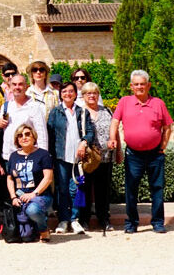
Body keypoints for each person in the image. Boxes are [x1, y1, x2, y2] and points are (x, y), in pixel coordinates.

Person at [109, 69, 173, 234]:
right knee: (131, 190)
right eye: (136, 84)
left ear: (148, 85)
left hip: (155, 155)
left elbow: (167, 127)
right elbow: (115, 122)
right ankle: (131, 223)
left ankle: (158, 222)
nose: (139, 87)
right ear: (131, 86)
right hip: (133, 155)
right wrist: (112, 139)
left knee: (157, 189)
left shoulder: (158, 103)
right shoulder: (124, 102)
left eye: (142, 84)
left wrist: (163, 147)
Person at [47, 82, 94, 235]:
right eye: (65, 91)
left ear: (75, 93)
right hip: (61, 157)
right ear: (61, 94)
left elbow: (89, 132)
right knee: (62, 190)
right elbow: (50, 135)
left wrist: (84, 142)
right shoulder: (55, 112)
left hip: (78, 158)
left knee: (77, 189)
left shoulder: (82, 112)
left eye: (71, 91)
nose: (68, 94)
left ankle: (75, 219)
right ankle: (63, 219)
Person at [7, 124, 54, 242]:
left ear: (34, 137)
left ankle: (43, 229)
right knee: (26, 237)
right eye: (20, 135)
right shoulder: (13, 156)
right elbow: (10, 179)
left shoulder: (43, 154)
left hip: (41, 195)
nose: (24, 137)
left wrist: (34, 194)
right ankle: (33, 228)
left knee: (33, 210)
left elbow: (48, 178)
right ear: (17, 140)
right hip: (20, 197)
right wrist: (13, 197)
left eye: (27, 134)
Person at [79, 82, 115, 232]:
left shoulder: (107, 111)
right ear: (83, 96)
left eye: (94, 93)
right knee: (84, 189)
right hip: (87, 158)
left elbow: (114, 131)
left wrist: (118, 150)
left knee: (103, 190)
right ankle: (84, 219)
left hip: (105, 156)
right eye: (88, 93)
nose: (92, 96)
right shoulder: (80, 112)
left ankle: (104, 218)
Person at [1, 74, 48, 162]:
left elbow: (42, 135)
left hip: (27, 157)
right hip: (9, 157)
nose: (17, 87)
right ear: (10, 87)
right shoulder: (6, 106)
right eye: (14, 84)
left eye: (20, 84)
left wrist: (43, 159)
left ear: (26, 87)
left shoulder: (35, 107)